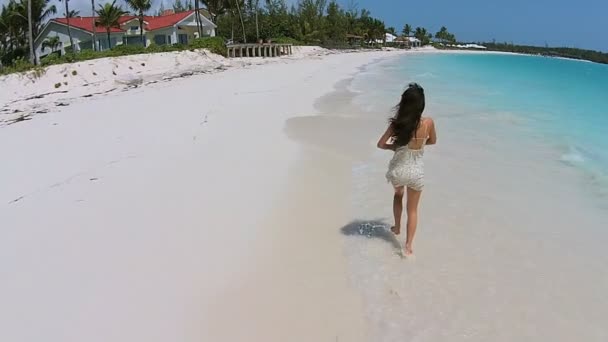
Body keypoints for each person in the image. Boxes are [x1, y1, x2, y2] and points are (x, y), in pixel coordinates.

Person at [376, 83, 437, 256]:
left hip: (398, 170)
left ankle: (396, 227)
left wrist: (394, 147)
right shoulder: (429, 123)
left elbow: (380, 144)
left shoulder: (397, 124)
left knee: (398, 195)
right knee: (413, 210)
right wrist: (420, 143)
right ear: (421, 105)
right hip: (416, 172)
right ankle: (408, 246)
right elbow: (432, 141)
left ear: (404, 103)